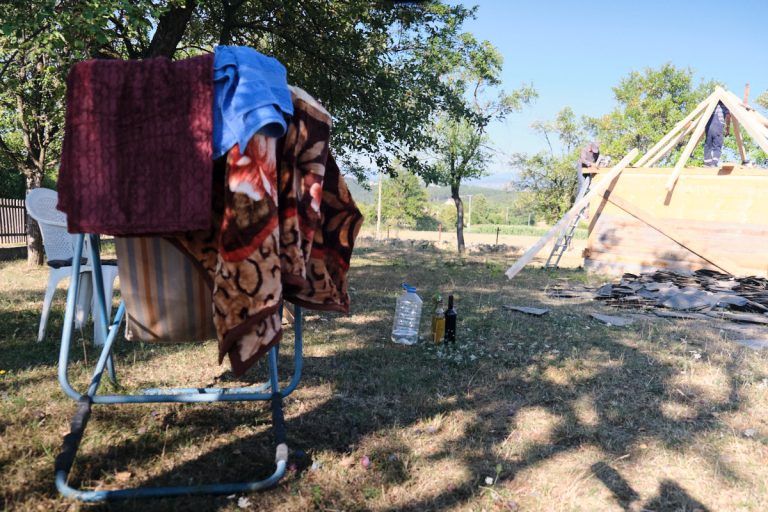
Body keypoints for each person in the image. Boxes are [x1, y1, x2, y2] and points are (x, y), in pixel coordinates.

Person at [703, 101, 730, 167]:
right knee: (717, 146)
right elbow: (728, 116)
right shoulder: (724, 107)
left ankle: (707, 163)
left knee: (708, 145)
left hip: (708, 128)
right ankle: (714, 163)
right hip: (718, 128)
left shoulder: (711, 106)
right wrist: (727, 129)